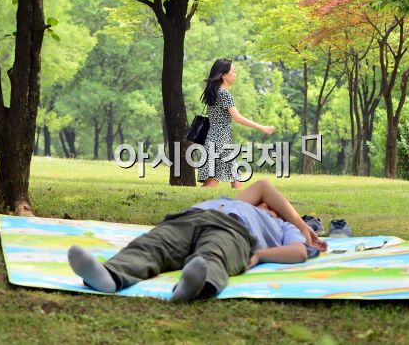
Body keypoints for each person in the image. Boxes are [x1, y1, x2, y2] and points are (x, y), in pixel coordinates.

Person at [67, 178, 328, 301]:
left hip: (234, 231)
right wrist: (297, 218)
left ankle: (194, 286)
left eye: (271, 206)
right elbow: (264, 186)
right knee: (152, 244)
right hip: (190, 218)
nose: (266, 205)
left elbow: (299, 252)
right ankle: (109, 276)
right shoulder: (238, 201)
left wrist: (262, 254)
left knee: (214, 254)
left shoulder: (281, 225)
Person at [198, 58, 275, 188]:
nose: (235, 74)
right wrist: (262, 127)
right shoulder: (224, 94)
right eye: (233, 71)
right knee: (213, 181)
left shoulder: (216, 92)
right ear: (224, 75)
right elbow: (238, 118)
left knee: (235, 178)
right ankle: (198, 206)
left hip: (217, 139)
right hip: (220, 142)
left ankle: (242, 205)